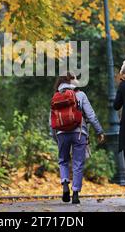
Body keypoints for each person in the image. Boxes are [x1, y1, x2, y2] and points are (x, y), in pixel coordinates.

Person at [50, 72, 105, 204]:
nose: (77, 80)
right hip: (79, 132)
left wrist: (55, 136)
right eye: (75, 77)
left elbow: (51, 121)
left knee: (63, 160)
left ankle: (64, 183)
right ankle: (75, 193)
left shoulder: (56, 96)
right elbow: (91, 115)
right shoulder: (80, 95)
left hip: (61, 134)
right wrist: (99, 131)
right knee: (78, 163)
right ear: (71, 80)